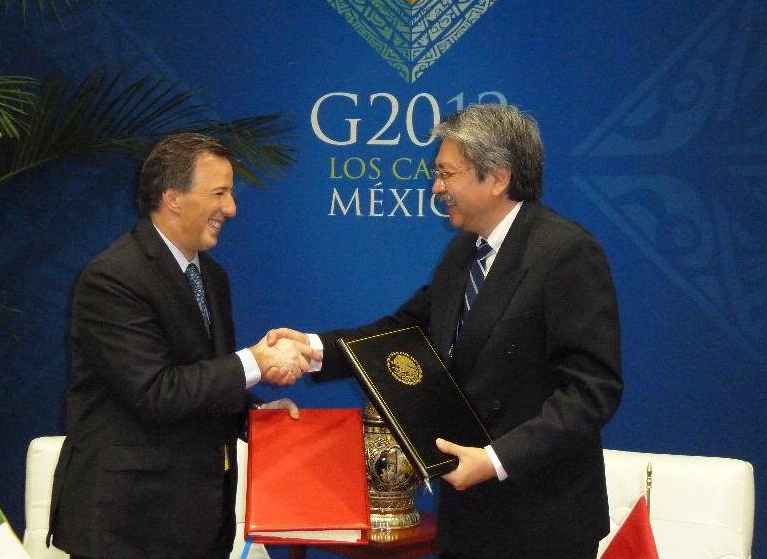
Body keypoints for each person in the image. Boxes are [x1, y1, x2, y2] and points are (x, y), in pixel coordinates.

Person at [271, 104, 623, 558]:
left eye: (446, 173)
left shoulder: (567, 253)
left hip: (541, 522)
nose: (436, 187)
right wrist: (314, 349)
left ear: (496, 177)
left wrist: (496, 460)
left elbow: (592, 392)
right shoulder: (463, 252)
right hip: (468, 516)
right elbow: (403, 331)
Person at [48, 133, 319, 559]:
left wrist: (255, 416)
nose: (231, 208)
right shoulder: (113, 278)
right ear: (173, 197)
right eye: (219, 193)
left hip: (199, 520)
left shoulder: (212, 276)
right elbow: (156, 392)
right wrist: (256, 361)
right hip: (129, 527)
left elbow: (201, 378)